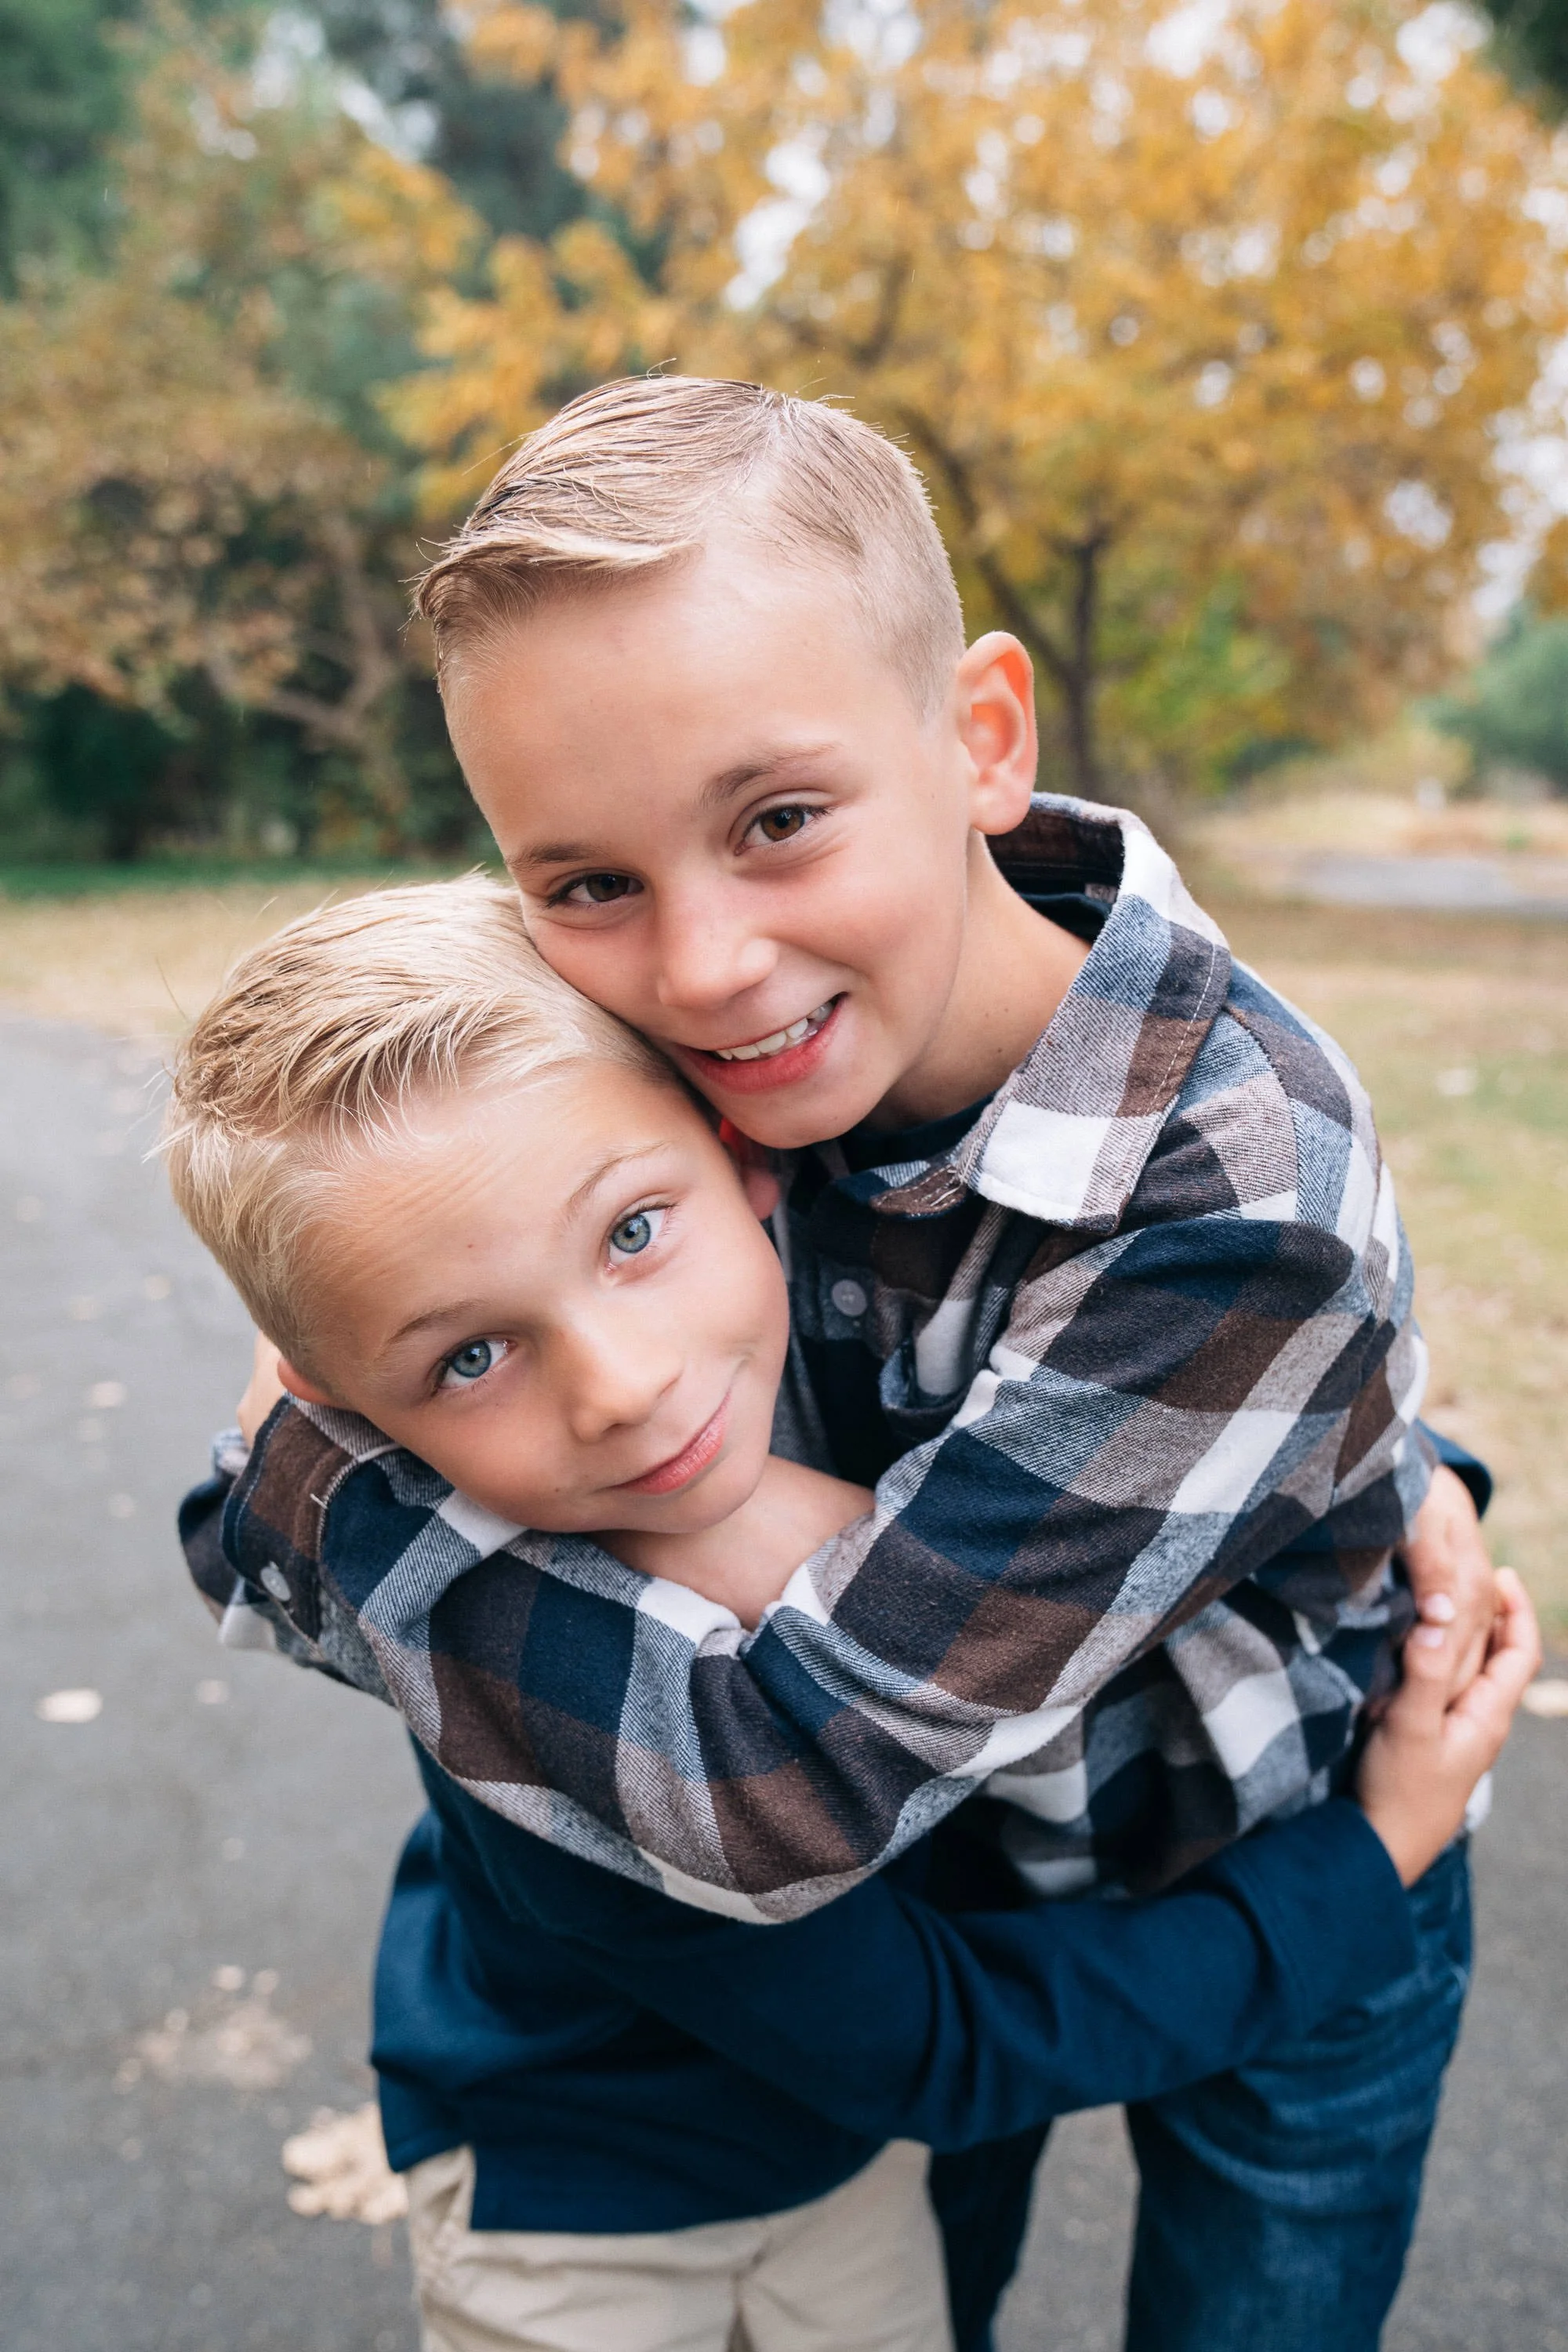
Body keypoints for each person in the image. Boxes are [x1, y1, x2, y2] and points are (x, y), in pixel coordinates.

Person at [166, 875, 1534, 2352]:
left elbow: (1126, 1331)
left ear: (744, 1153)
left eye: (632, 1234)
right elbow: (934, 2043)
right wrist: (1373, 1857)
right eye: (475, 1353)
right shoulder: (565, 1678)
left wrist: (1398, 1479)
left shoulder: (845, 1186)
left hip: (1098, 1936)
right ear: (347, 1414)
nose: (621, 1387)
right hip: (649, 2183)